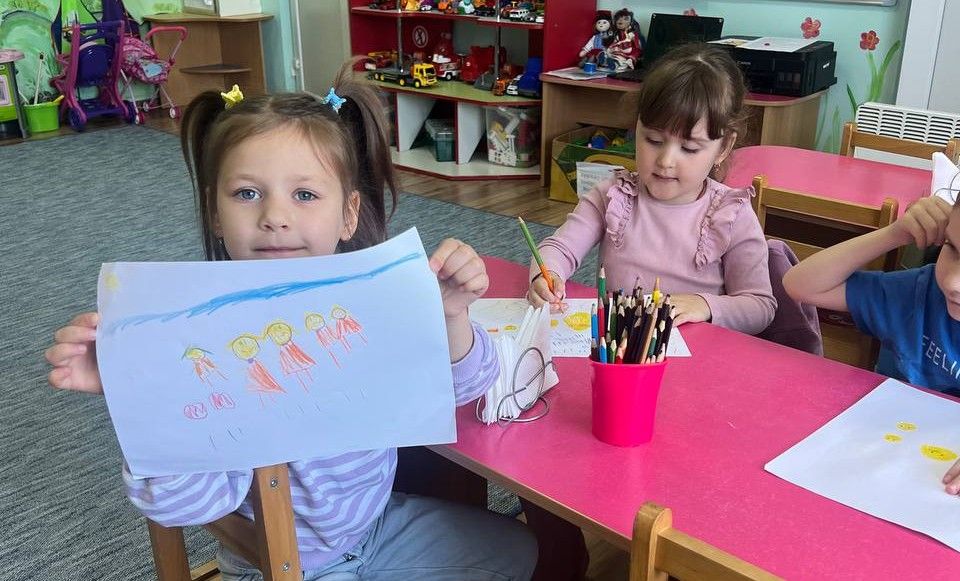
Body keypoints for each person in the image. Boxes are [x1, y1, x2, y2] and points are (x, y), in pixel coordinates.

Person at [44, 63, 537, 579]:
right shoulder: (209, 341)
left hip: (374, 527)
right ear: (214, 212)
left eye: (304, 195)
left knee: (517, 550)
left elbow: (466, 386)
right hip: (287, 564)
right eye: (246, 193)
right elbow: (185, 505)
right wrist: (139, 397)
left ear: (349, 214)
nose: (275, 217)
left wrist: (451, 314)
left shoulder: (369, 303)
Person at [528, 43, 776, 336]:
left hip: (699, 354)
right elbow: (560, 247)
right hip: (620, 349)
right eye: (653, 140)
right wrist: (546, 275)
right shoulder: (614, 196)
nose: (666, 161)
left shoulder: (731, 214)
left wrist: (705, 305)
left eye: (689, 148)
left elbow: (760, 307)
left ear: (723, 147)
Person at [783, 194, 960, 495]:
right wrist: (897, 233)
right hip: (891, 461)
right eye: (952, 248)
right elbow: (800, 285)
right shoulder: (919, 294)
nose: (954, 282)